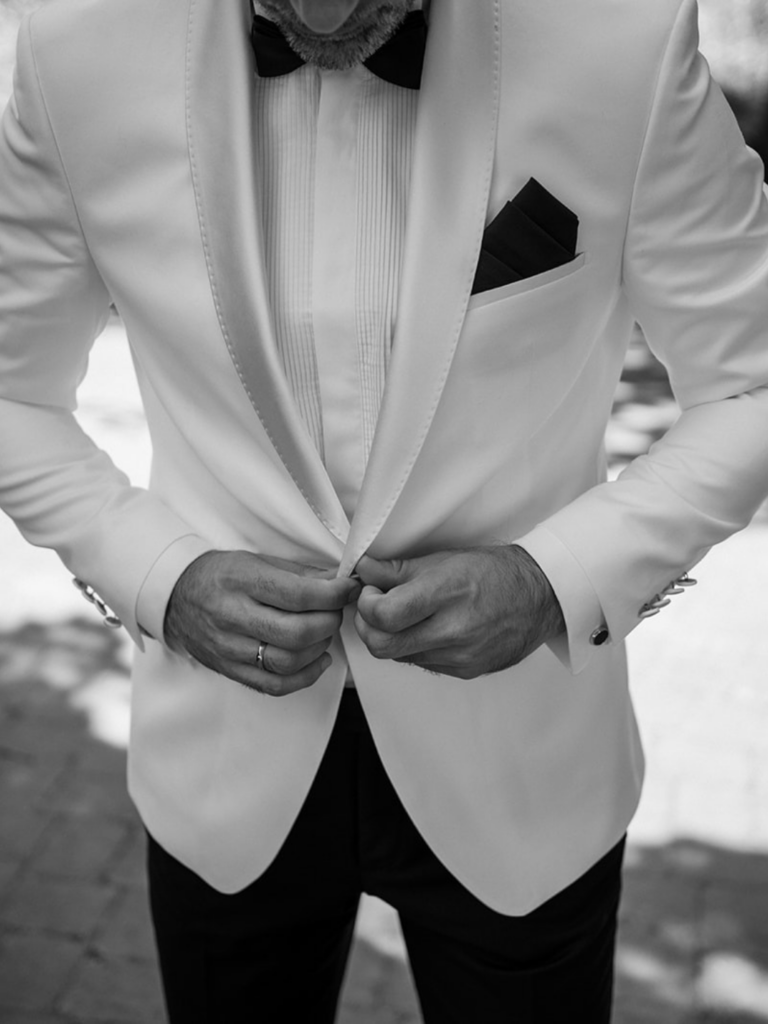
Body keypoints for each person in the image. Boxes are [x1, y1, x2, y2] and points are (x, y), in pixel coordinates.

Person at [1, 0, 767, 1019]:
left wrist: (556, 581)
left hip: (522, 776)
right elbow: (12, 391)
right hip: (223, 767)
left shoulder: (625, 39)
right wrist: (158, 577)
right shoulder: (74, 54)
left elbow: (749, 384)